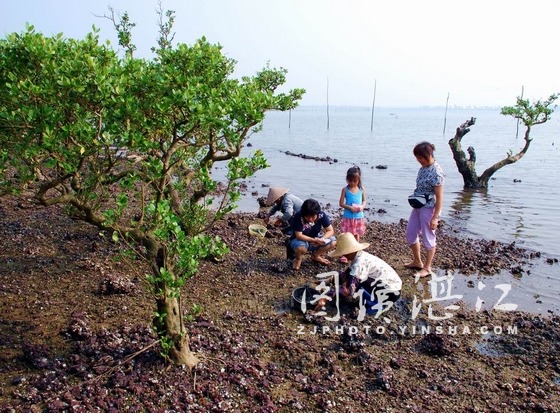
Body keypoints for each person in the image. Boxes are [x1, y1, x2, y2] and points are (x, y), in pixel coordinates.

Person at [320, 232, 402, 314]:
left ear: (350, 252)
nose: (343, 256)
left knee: (357, 283)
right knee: (351, 277)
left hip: (390, 292)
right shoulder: (360, 256)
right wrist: (328, 281)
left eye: (344, 254)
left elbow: (349, 291)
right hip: (392, 287)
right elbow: (346, 274)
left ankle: (376, 305)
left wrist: (327, 295)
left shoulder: (359, 264)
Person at [405, 141, 444, 278]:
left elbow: (439, 198)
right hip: (418, 206)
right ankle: (417, 261)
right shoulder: (423, 169)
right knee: (410, 233)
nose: (419, 161)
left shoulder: (436, 172)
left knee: (428, 238)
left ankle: (427, 268)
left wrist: (435, 217)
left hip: (428, 208)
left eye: (421, 158)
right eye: (417, 158)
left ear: (429, 155)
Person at [288, 198, 337, 270]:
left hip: (315, 239)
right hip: (300, 241)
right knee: (300, 248)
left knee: (333, 241)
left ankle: (316, 256)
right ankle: (298, 259)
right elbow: (299, 235)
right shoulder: (299, 216)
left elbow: (330, 230)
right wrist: (314, 240)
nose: (310, 219)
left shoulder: (321, 215)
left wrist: (322, 239)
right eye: (307, 216)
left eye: (313, 216)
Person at [338, 166, 367, 263]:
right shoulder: (345, 190)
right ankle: (345, 254)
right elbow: (341, 203)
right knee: (347, 235)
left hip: (359, 216)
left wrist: (362, 207)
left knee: (356, 234)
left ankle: (356, 252)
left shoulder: (361, 189)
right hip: (348, 216)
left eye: (354, 181)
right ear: (347, 179)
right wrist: (349, 207)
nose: (352, 183)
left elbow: (364, 201)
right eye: (350, 181)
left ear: (358, 180)